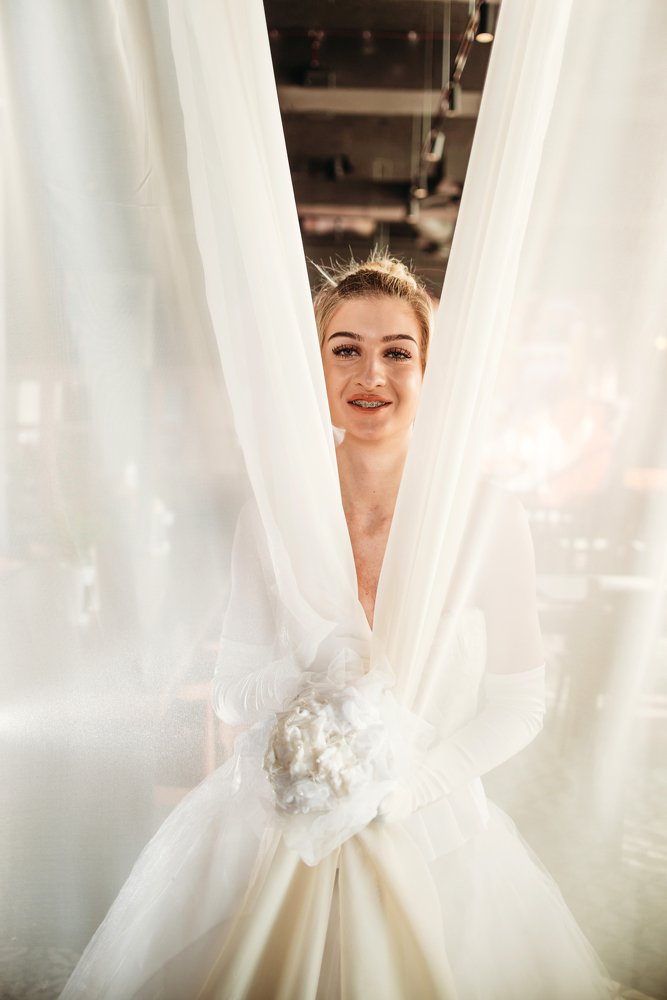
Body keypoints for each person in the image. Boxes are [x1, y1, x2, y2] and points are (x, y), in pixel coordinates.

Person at [61, 252, 613, 1000]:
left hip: (431, 827)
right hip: (272, 825)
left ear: (430, 373)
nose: (370, 376)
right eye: (345, 350)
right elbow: (231, 696)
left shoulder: (487, 518)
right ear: (314, 370)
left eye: (397, 353)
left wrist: (410, 788)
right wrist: (309, 664)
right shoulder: (272, 521)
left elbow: (519, 702)